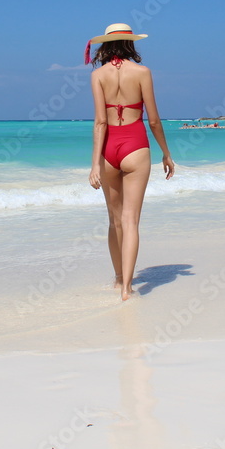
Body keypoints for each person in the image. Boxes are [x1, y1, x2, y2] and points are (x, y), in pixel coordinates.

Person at [86, 23, 175, 301]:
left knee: (115, 222)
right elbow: (155, 120)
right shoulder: (143, 73)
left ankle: (117, 279)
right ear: (130, 44)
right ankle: (127, 289)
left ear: (105, 46)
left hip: (108, 150)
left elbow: (100, 122)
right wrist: (166, 153)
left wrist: (94, 164)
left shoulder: (98, 75)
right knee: (131, 221)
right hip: (135, 146)